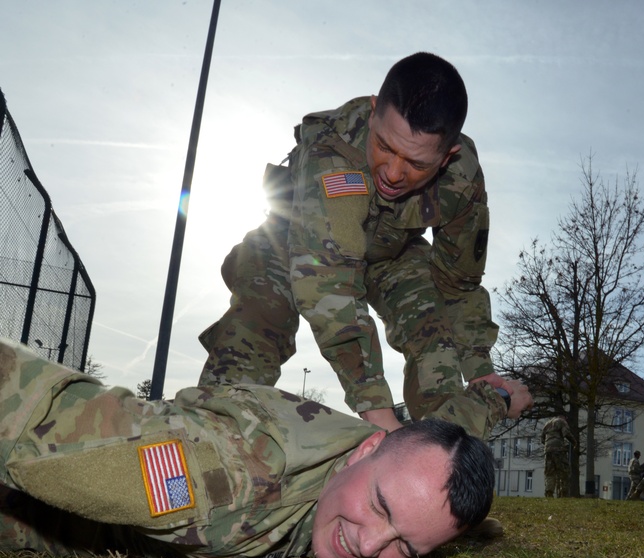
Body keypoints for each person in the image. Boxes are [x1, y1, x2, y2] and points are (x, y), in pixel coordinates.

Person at [197, 52, 530, 438]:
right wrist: (378, 414)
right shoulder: (332, 149)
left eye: (416, 164)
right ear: (374, 112)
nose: (393, 173)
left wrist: (480, 369)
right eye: (385, 146)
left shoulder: (462, 177)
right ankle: (208, 436)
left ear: (447, 155)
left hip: (390, 254)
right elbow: (329, 285)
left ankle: (437, 457)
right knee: (257, 320)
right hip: (294, 243)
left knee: (436, 338)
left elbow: (458, 283)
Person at [0, 338, 504, 558]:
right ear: (365, 448)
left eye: (407, 550)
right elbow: (38, 413)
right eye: (380, 508)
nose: (371, 547)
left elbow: (428, 498)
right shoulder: (237, 473)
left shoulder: (399, 477)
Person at [542, 416, 574, 498]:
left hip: (548, 451)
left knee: (549, 473)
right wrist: (574, 442)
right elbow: (566, 433)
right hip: (558, 450)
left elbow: (542, 439)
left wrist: (549, 446)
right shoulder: (561, 421)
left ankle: (549, 493)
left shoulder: (547, 424)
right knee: (564, 472)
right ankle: (563, 493)